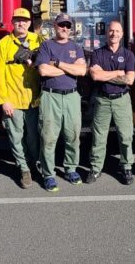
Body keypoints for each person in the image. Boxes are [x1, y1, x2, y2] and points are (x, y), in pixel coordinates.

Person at [35, 13, 87, 192]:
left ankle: (71, 168)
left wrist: (57, 64)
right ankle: (48, 174)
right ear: (55, 26)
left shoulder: (76, 47)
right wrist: (69, 68)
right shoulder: (46, 45)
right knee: (48, 137)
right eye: (61, 25)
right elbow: (42, 70)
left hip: (72, 96)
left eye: (67, 25)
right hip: (51, 96)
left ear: (71, 28)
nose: (64, 28)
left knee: (72, 135)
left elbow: (81, 71)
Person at [0, 8, 42, 189]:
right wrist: (3, 100)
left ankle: (35, 162)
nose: (21, 23)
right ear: (12, 22)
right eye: (17, 20)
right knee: (16, 136)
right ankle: (24, 169)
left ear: (29, 23)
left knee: (34, 136)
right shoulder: (3, 44)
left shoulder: (39, 41)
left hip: (34, 99)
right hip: (12, 101)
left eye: (24, 20)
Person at [86, 20, 135, 185]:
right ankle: (95, 168)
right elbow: (95, 76)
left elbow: (129, 80)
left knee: (125, 135)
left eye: (117, 31)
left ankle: (126, 167)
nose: (114, 34)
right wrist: (117, 73)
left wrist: (105, 74)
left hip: (122, 100)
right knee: (99, 136)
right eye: (111, 31)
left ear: (122, 34)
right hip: (102, 100)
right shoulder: (98, 53)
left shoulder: (128, 55)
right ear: (106, 33)